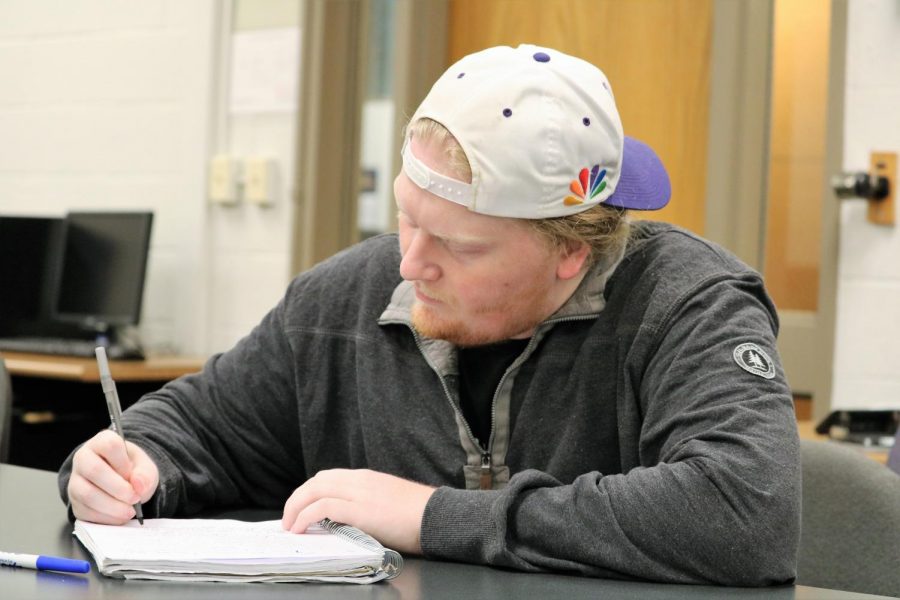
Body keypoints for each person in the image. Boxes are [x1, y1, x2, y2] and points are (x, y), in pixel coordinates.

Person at [58, 45, 800, 586]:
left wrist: (429, 516)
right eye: (408, 221)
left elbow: (744, 511)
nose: (410, 266)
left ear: (570, 250)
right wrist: (130, 466)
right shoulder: (342, 297)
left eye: (456, 244)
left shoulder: (689, 304)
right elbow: (203, 426)